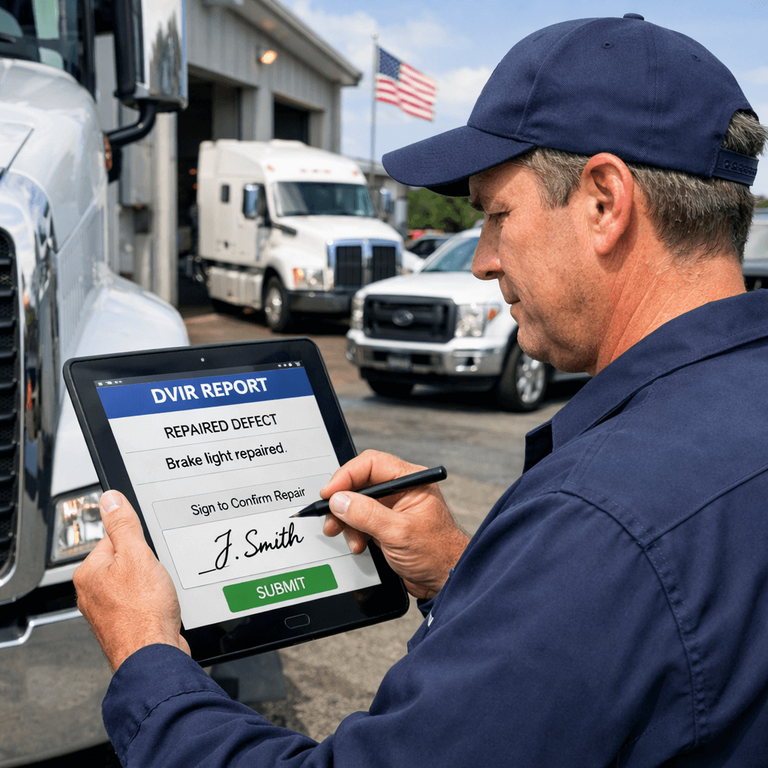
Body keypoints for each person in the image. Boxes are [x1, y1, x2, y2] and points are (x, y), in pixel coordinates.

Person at [74, 14, 768, 766]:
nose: (483, 259)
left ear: (604, 201)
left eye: (497, 215)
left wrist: (148, 654)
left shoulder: (601, 522)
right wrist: (469, 579)